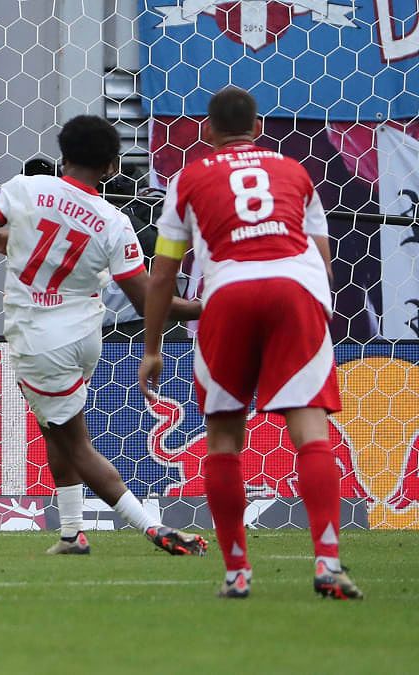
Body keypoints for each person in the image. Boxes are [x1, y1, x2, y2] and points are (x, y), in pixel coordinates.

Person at [138, 87, 362, 599]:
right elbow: (323, 258)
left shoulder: (188, 179)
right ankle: (328, 564)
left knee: (223, 440)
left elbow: (164, 272)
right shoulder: (296, 172)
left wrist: (152, 348)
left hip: (229, 295)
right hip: (295, 290)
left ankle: (237, 571)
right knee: (311, 432)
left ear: (208, 132)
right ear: (258, 127)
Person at [0, 115, 207, 557]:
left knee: (76, 442)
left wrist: (10, 236)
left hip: (39, 339)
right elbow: (149, 297)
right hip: (86, 336)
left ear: (63, 155)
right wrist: (208, 306)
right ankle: (72, 533)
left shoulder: (26, 189)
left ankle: (156, 530)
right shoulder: (114, 220)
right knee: (53, 427)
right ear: (111, 167)